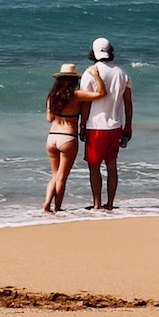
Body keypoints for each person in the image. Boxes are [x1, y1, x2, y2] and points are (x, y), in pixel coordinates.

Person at [44, 62, 105, 214]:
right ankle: (57, 207)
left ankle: (46, 203)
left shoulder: (52, 96)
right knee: (62, 177)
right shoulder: (76, 95)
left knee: (54, 175)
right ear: (74, 80)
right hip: (68, 137)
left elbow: (49, 118)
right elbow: (101, 94)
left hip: (52, 137)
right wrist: (96, 77)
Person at [80, 37, 133, 211]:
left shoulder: (90, 72)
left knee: (94, 167)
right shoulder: (122, 73)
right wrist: (128, 126)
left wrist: (82, 125)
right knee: (112, 165)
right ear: (111, 51)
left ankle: (96, 204)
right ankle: (109, 204)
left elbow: (86, 102)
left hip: (95, 126)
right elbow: (128, 103)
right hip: (115, 126)